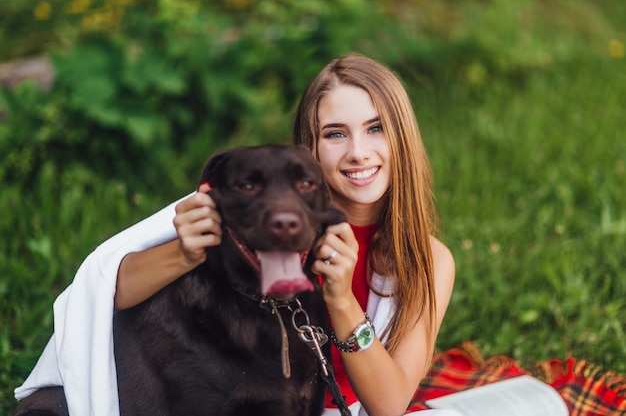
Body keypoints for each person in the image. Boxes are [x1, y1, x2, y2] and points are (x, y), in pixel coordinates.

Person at [15, 54, 457, 416]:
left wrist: (341, 299)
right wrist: (188, 251)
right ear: (309, 149)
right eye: (336, 134)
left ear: (402, 136)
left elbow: (389, 404)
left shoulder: (425, 259)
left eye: (376, 128)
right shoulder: (252, 211)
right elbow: (103, 288)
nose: (359, 152)